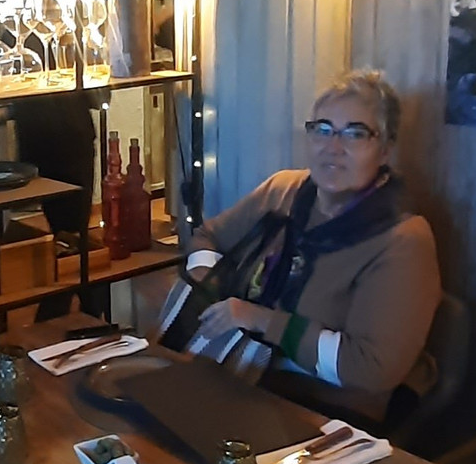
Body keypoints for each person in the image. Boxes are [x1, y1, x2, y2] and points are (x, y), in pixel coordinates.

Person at [185, 70, 441, 425]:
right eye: (323, 129)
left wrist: (259, 318)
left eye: (355, 133)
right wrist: (208, 286)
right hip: (238, 373)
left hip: (324, 408)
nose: (333, 147)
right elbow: (206, 236)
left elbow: (370, 369)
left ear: (385, 150)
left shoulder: (403, 239)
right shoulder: (283, 190)